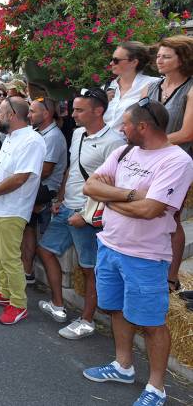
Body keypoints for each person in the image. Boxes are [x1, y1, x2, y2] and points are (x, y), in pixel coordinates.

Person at [81, 101, 193, 406]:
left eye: (125, 124)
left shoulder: (176, 161)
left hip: (145, 257)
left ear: (142, 127)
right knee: (117, 309)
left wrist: (111, 199)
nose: (120, 129)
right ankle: (123, 366)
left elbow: (150, 210)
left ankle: (157, 388)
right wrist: (129, 195)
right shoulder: (124, 151)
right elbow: (91, 186)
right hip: (110, 245)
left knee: (152, 323)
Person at [36, 88, 123, 340]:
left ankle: (87, 321)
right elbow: (73, 170)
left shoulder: (115, 142)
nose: (73, 114)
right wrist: (61, 198)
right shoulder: (76, 134)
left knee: (89, 268)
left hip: (88, 214)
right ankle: (58, 304)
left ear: (98, 111)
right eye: (73, 109)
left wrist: (86, 216)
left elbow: (113, 186)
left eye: (79, 110)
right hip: (67, 207)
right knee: (46, 249)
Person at [0, 98, 46, 325]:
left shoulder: (32, 140)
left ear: (13, 115)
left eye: (1, 112)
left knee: (9, 258)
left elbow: (21, 177)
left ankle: (18, 304)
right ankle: (4, 292)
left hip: (13, 208)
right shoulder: (11, 137)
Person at [147, 35, 193, 292]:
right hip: (148, 160)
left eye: (166, 56)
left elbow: (188, 133)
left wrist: (152, 141)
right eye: (158, 56)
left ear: (182, 59)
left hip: (177, 162)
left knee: (171, 218)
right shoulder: (153, 87)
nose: (159, 60)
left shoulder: (190, 89)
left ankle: (171, 278)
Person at [22, 97, 68, 283]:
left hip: (46, 188)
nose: (29, 115)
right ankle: (26, 270)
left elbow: (46, 171)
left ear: (46, 114)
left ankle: (26, 270)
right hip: (36, 185)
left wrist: (19, 183)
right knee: (27, 226)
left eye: (33, 111)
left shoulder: (54, 137)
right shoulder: (38, 132)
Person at [104, 41, 159, 131]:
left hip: (131, 143)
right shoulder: (107, 87)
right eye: (111, 59)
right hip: (100, 143)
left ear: (134, 62)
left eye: (116, 60)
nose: (111, 63)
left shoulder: (152, 85)